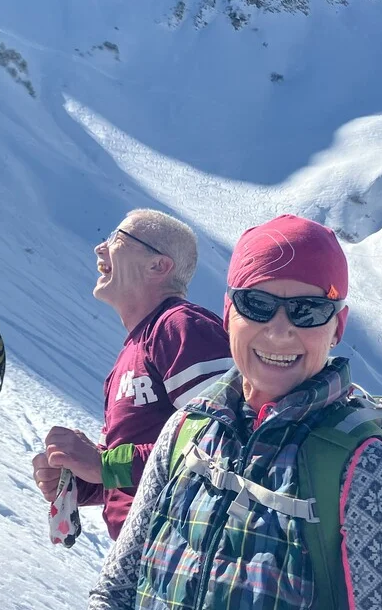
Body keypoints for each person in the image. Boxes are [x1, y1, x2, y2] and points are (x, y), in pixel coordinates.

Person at [88, 214, 382, 609]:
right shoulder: (186, 429)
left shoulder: (364, 465)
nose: (280, 331)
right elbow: (117, 590)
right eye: (258, 304)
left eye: (309, 310)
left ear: (337, 326)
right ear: (229, 312)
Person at [32, 209, 233, 540]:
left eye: (117, 239)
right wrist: (80, 481)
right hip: (142, 553)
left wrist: (105, 466)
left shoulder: (182, 327)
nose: (100, 248)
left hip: (182, 551)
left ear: (158, 266)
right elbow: (132, 466)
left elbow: (221, 440)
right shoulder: (132, 352)